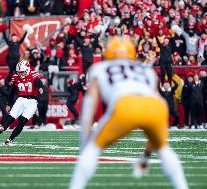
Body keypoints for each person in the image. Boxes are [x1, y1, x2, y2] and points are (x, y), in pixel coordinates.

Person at [69, 36, 188, 189]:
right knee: (164, 150)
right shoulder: (146, 70)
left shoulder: (98, 68)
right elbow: (152, 108)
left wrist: (85, 144)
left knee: (92, 149)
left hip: (125, 104)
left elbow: (89, 105)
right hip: (157, 106)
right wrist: (145, 158)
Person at [0, 60, 43, 145]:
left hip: (32, 101)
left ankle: (10, 139)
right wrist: (9, 104)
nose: (20, 74)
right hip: (21, 99)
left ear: (27, 70)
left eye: (22, 72)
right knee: (10, 118)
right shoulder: (16, 77)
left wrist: (40, 87)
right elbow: (12, 92)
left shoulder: (33, 75)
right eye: (19, 72)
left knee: (22, 120)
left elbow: (38, 82)